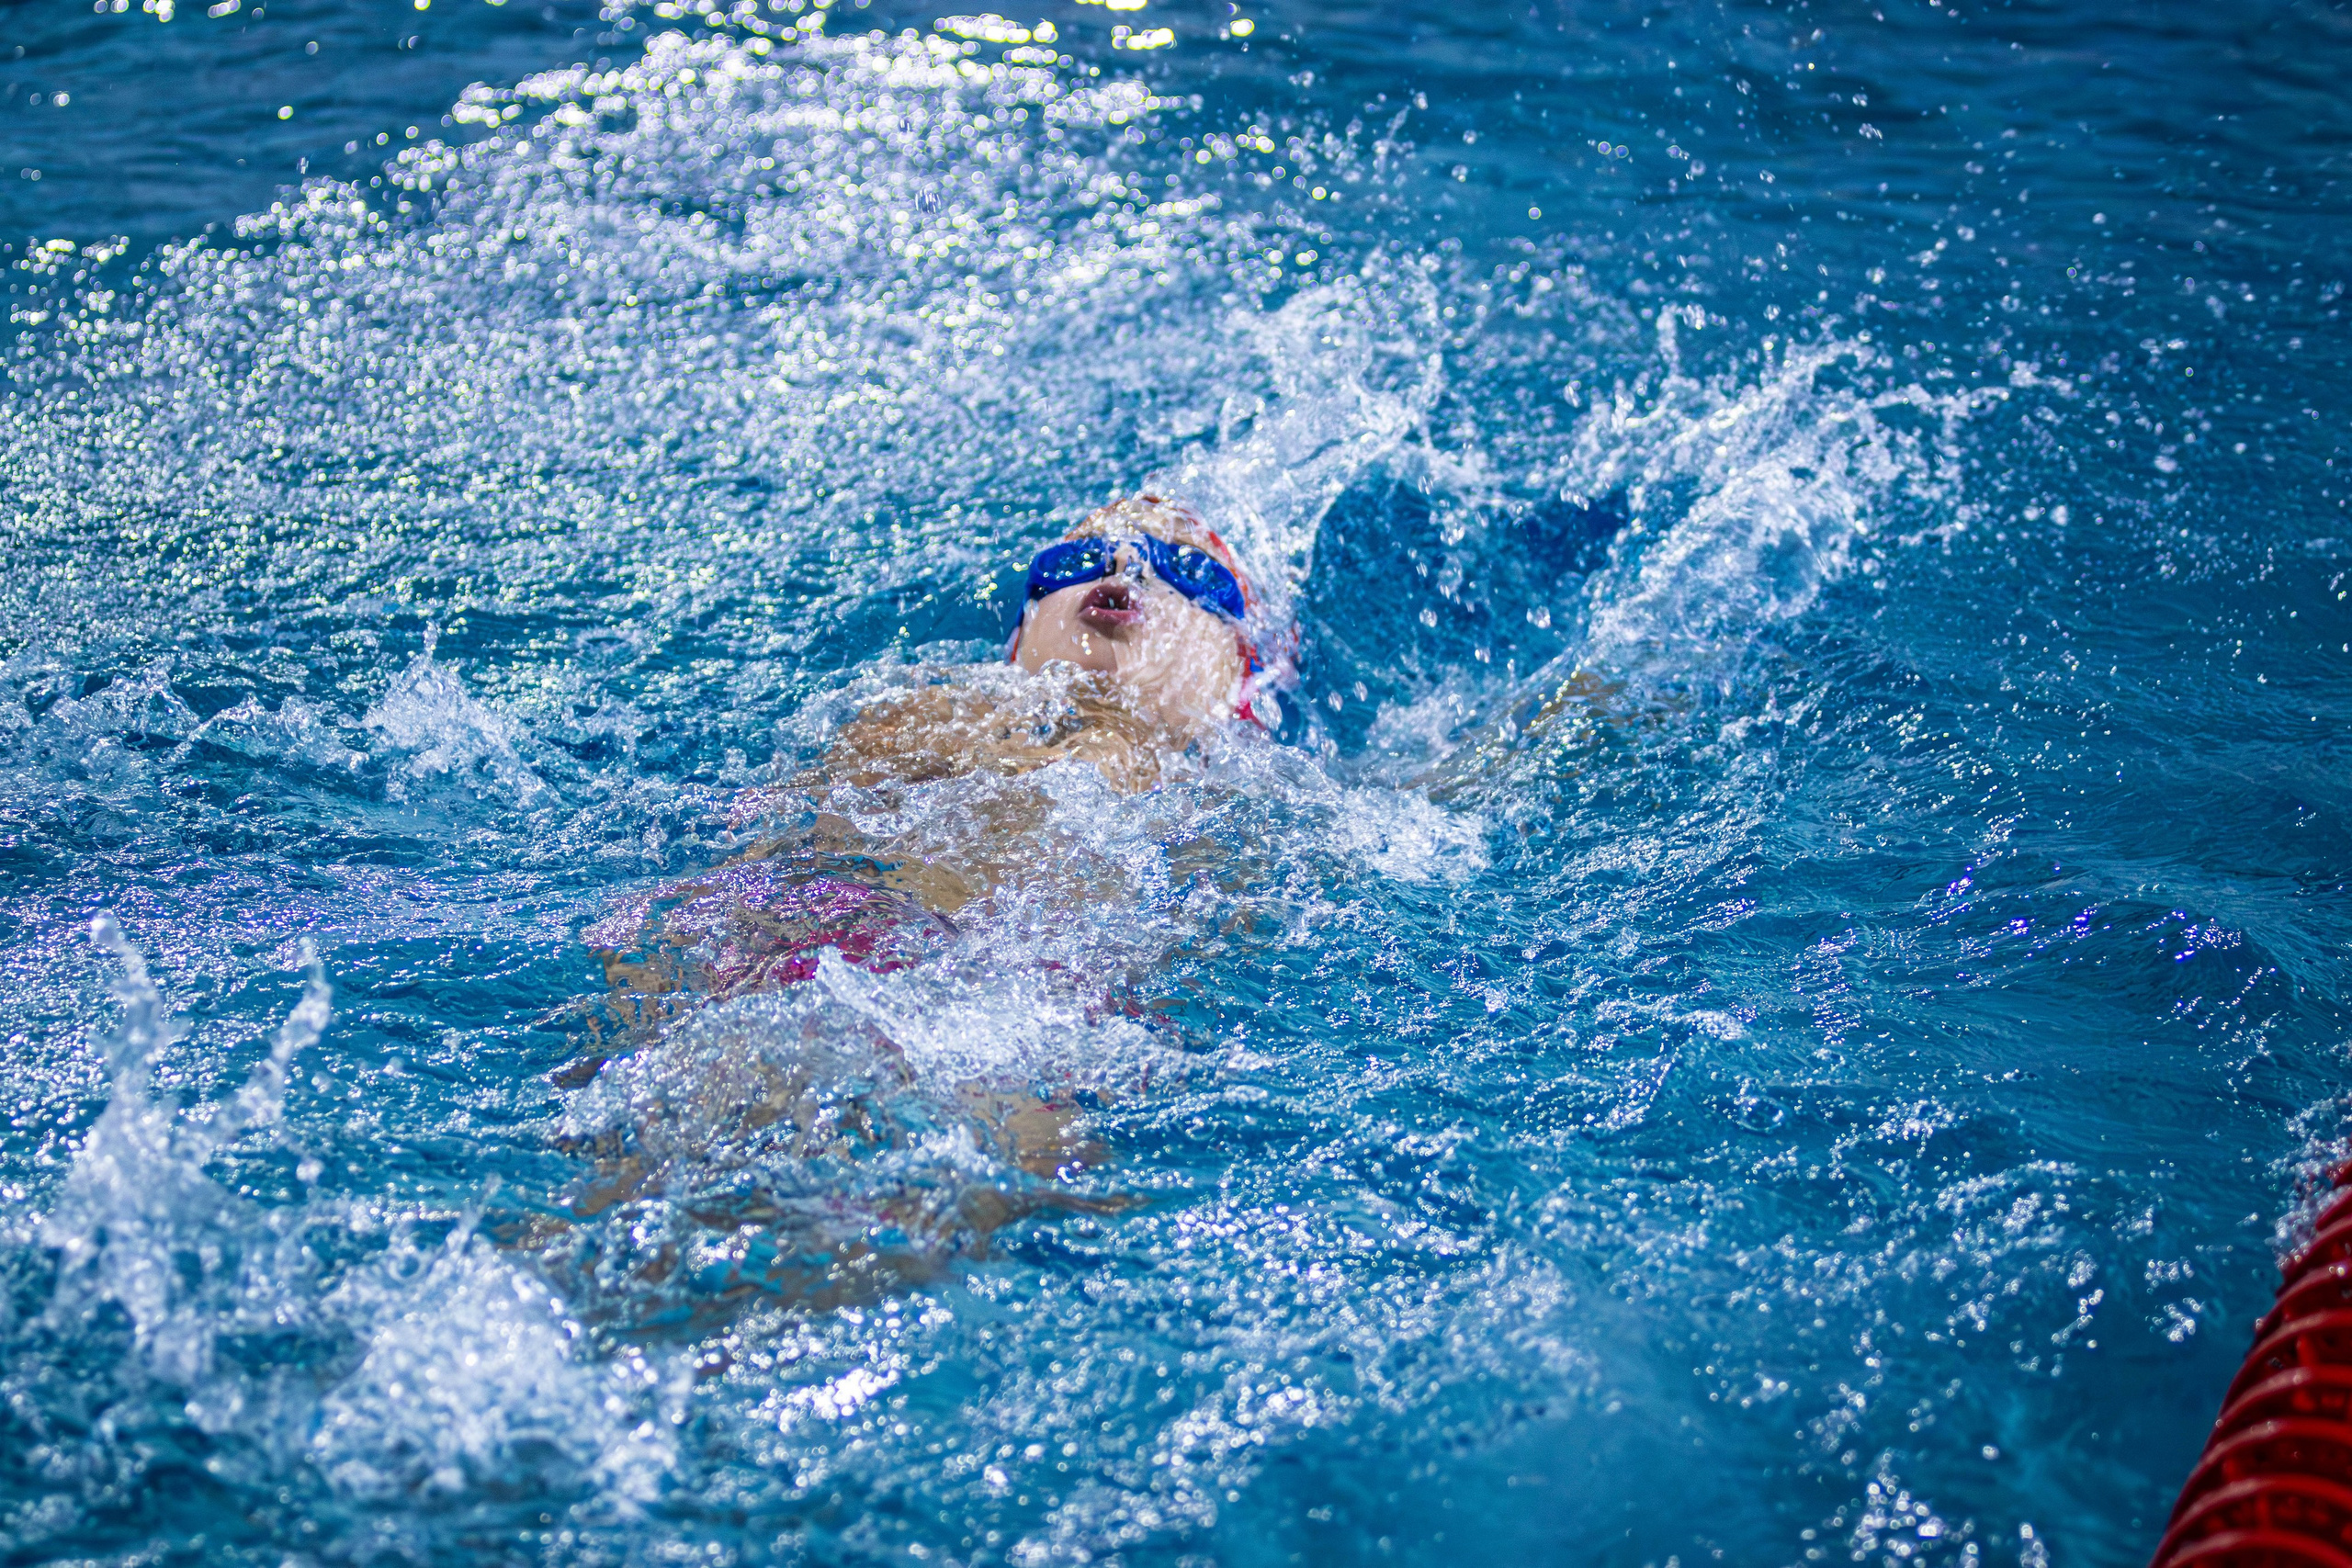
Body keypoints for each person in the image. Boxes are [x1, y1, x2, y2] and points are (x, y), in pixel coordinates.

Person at [526, 496, 1292, 1317]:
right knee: (618, 1202)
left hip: (1018, 1014)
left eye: (1187, 571)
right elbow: (765, 855)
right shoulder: (924, 713)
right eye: (1076, 560)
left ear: (1239, 678)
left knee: (881, 1246)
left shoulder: (1251, 804)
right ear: (1020, 641)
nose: (1124, 567)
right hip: (829, 949)